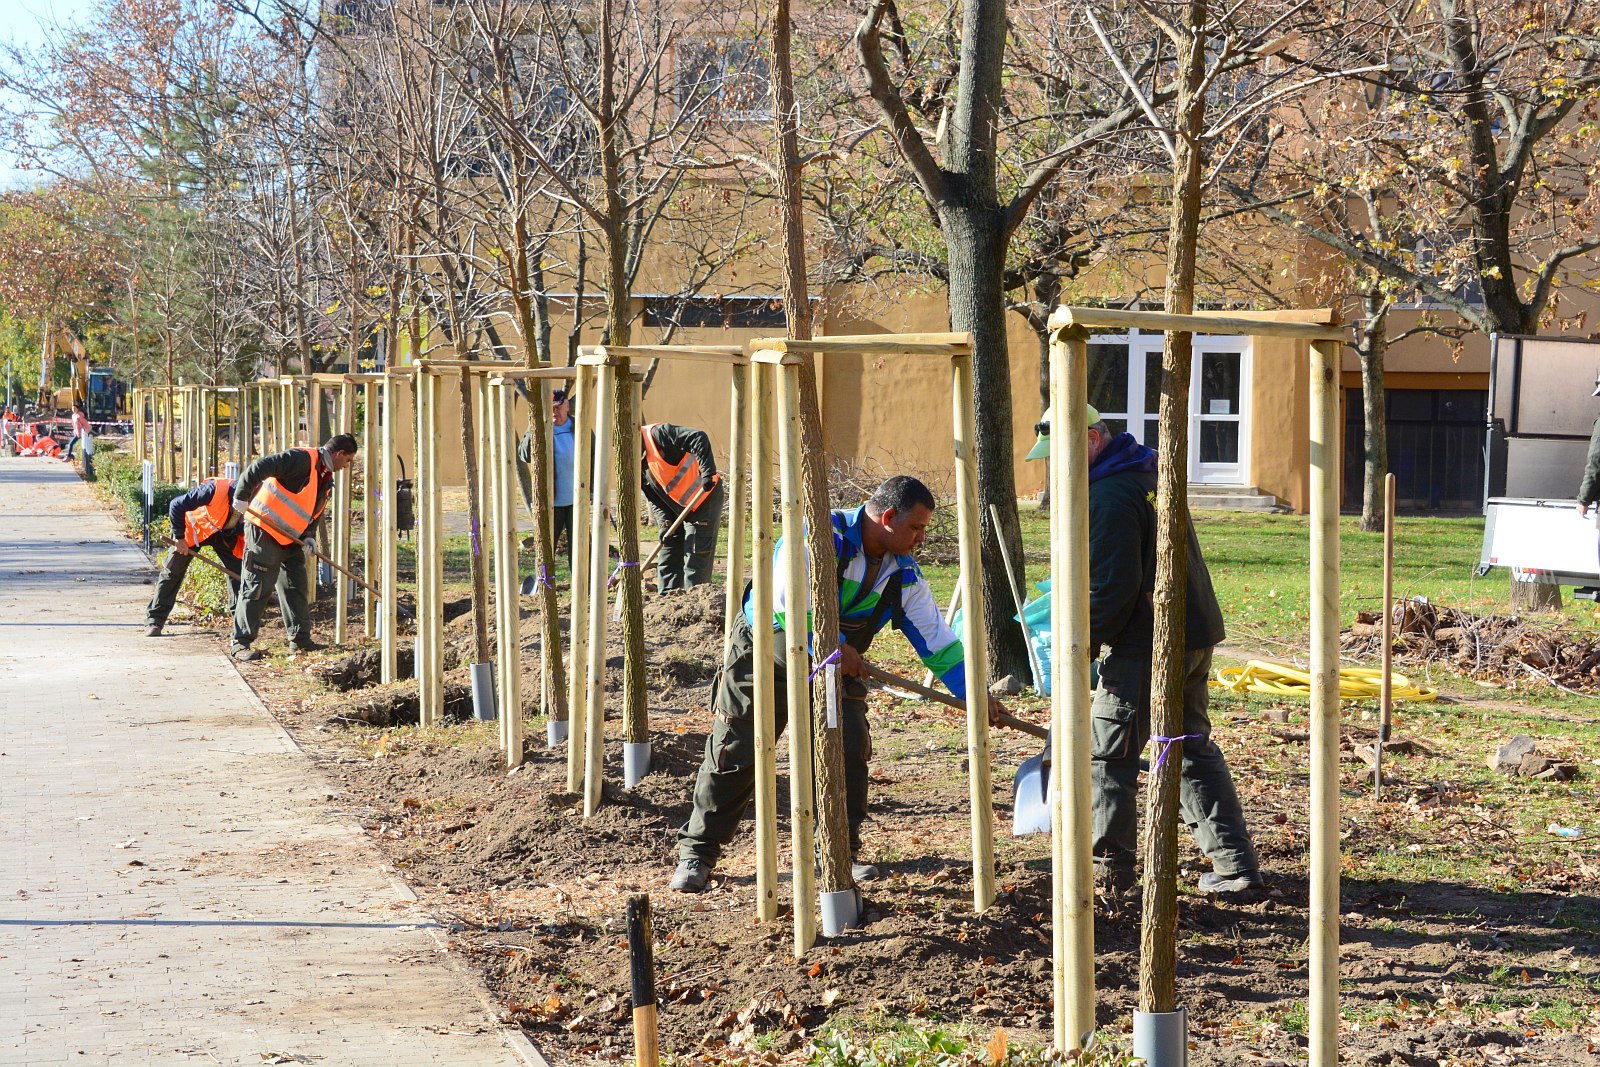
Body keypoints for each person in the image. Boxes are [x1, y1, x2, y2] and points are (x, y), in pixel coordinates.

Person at [671, 475, 1012, 892]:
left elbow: (938, 643)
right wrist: (835, 644)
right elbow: (786, 605)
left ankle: (838, 854)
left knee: (848, 748)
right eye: (916, 528)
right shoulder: (816, 536)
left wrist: (975, 694)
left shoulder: (902, 574)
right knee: (738, 751)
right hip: (767, 649)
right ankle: (698, 853)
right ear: (888, 518)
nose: (921, 538)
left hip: (837, 668)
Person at [1026, 406, 1262, 898]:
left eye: (1059, 456)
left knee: (1108, 752)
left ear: (1091, 439)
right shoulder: (1146, 475)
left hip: (1147, 644)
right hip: (1190, 633)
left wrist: (1080, 646)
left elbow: (1113, 588)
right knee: (1187, 745)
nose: (1054, 469)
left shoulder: (1110, 494)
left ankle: (1109, 875)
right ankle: (1235, 865)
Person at [228, 433, 358, 661]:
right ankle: (240, 643)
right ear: (339, 454)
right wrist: (241, 495)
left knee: (296, 586)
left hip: (292, 539)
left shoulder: (326, 479)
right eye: (348, 460)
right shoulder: (301, 459)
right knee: (257, 586)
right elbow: (260, 466)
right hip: (264, 531)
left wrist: (309, 536)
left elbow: (311, 512)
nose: (347, 466)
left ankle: (300, 641)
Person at [146, 477, 244, 636]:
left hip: (223, 533)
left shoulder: (254, 498)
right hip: (193, 531)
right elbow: (176, 505)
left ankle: (242, 618)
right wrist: (179, 538)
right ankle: (155, 620)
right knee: (173, 572)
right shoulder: (214, 489)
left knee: (238, 571)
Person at [641, 422, 723, 591]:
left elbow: (698, 437)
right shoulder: (633, 462)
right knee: (668, 552)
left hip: (704, 499)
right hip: (676, 508)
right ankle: (667, 605)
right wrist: (665, 524)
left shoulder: (660, 435)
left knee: (695, 559)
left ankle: (696, 604)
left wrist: (707, 471)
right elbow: (654, 499)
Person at [515, 388, 577, 566]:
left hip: (576, 500)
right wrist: (536, 426)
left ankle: (582, 587)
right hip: (550, 502)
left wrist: (592, 491)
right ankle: (546, 585)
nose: (554, 412)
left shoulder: (578, 427)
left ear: (567, 406)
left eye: (558, 407)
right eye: (550, 408)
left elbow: (594, 457)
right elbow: (525, 455)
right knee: (547, 547)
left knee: (580, 546)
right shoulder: (540, 427)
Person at [63, 402, 94, 478]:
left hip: (81, 433)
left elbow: (85, 423)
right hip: (77, 433)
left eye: (75, 408)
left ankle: (69, 456)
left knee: (70, 444)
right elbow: (74, 425)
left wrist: (84, 431)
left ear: (77, 408)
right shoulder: (73, 416)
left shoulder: (79, 416)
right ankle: (72, 457)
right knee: (72, 444)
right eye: (72, 408)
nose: (73, 409)